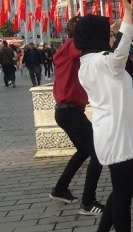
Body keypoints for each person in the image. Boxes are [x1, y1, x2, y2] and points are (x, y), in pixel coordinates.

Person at [74, 0, 133, 232]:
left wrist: (116, 27)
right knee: (123, 198)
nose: (111, 35)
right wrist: (128, 15)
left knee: (120, 193)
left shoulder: (90, 62)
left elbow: (113, 53)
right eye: (106, 32)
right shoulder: (99, 63)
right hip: (118, 135)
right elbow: (119, 55)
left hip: (116, 132)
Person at [49, 16, 104, 217]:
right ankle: (88, 202)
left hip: (67, 111)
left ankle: (60, 189)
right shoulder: (72, 46)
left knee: (83, 151)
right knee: (98, 152)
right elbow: (92, 53)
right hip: (69, 111)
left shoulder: (66, 47)